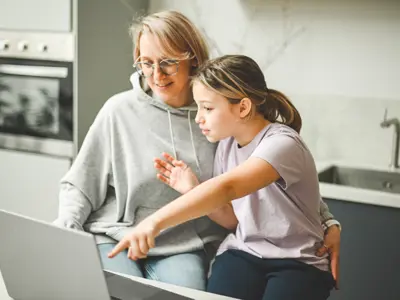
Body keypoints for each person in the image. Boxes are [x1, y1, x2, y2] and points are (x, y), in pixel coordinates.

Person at [54, 10, 340, 291]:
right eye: (145, 62)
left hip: (185, 244)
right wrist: (66, 227)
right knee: (120, 291)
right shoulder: (119, 111)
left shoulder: (220, 119)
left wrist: (327, 221)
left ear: (192, 60)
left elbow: (274, 180)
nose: (156, 74)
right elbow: (79, 184)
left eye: (167, 62)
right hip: (116, 234)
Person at [108, 54, 339, 299]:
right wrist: (192, 188)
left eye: (207, 108)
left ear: (243, 107)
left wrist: (153, 223)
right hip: (245, 252)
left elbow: (228, 187)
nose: (198, 117)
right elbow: (232, 220)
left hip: (298, 262)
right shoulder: (226, 146)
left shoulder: (282, 144)